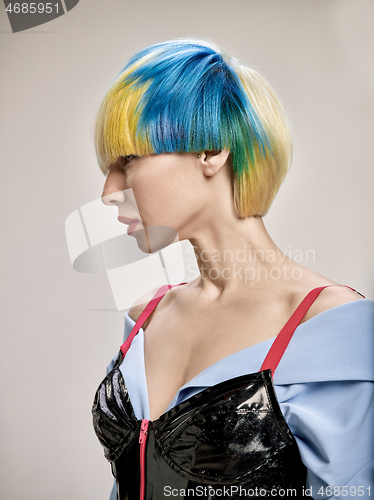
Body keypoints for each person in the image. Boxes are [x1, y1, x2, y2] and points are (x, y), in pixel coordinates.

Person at [91, 39, 374, 500]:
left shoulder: (330, 328)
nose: (108, 191)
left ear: (211, 151)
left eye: (128, 161)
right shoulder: (145, 317)